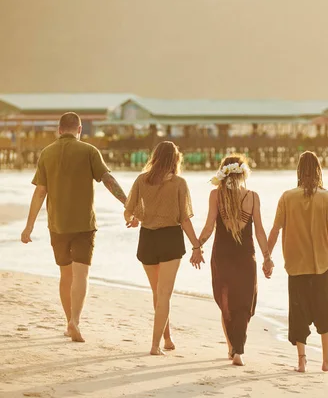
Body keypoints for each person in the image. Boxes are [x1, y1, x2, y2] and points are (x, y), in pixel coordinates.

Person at [21, 112, 130, 343]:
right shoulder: (89, 151)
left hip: (57, 225)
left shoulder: (46, 153)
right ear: (80, 129)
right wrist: (128, 204)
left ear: (59, 130)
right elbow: (108, 180)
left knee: (65, 274)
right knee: (81, 274)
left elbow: (40, 191)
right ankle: (76, 322)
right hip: (84, 224)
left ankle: (68, 319)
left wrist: (28, 227)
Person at [267, 151, 328, 373]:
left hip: (295, 266)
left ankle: (302, 360)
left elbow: (275, 229)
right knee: (325, 311)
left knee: (298, 312)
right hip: (322, 264)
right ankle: (325, 360)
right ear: (318, 171)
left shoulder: (287, 197)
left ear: (298, 171)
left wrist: (267, 257)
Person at [124, 141, 203, 356]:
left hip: (147, 239)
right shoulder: (179, 183)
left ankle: (167, 339)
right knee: (164, 294)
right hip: (170, 239)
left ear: (155, 157)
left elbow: (128, 211)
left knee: (158, 294)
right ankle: (154, 345)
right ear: (175, 159)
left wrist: (134, 219)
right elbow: (184, 219)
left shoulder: (142, 179)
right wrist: (197, 246)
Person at [197, 154, 274, 366]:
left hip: (222, 255)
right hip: (245, 257)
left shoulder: (215, 195)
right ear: (244, 173)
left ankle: (232, 346)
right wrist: (267, 258)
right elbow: (259, 231)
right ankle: (238, 348)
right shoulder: (253, 197)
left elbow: (209, 226)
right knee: (244, 303)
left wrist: (197, 246)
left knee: (226, 302)